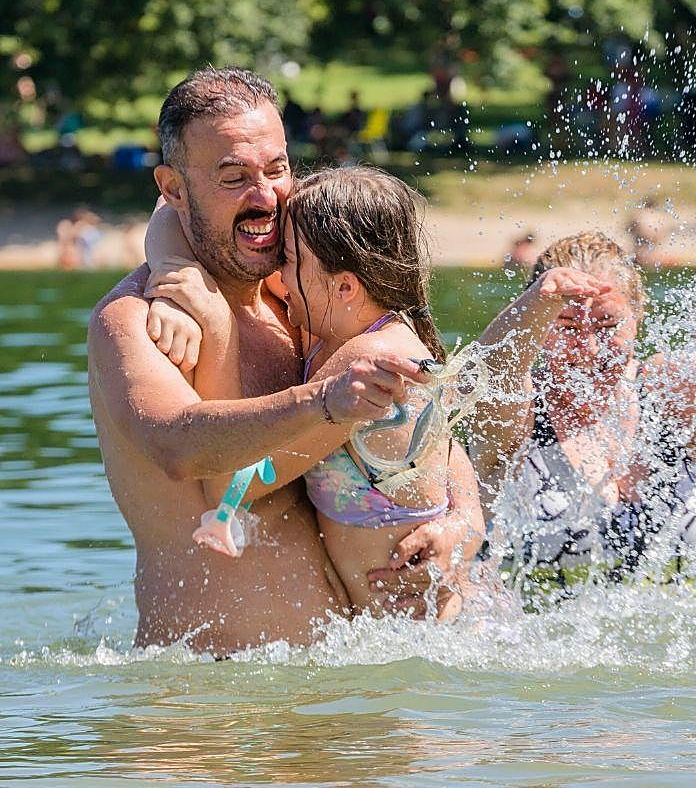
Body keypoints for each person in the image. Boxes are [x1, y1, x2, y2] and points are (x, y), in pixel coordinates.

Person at [88, 67, 480, 656]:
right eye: (233, 177)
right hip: (211, 691)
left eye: (276, 170)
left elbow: (433, 427)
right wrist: (323, 402)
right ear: (171, 188)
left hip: (347, 685)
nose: (266, 196)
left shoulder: (301, 289)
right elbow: (178, 448)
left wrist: (462, 524)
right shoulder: (138, 319)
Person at [145, 165, 481, 619]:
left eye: (286, 257)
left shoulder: (367, 362)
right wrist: (172, 267)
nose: (275, 272)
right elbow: (170, 207)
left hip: (425, 641)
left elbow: (230, 483)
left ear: (344, 285)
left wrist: (216, 323)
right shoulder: (333, 331)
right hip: (389, 639)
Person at [469, 232, 696, 583]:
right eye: (568, 326)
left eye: (608, 325)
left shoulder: (662, 390)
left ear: (637, 315)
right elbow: (488, 372)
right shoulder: (521, 411)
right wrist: (534, 302)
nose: (590, 348)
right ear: (541, 329)